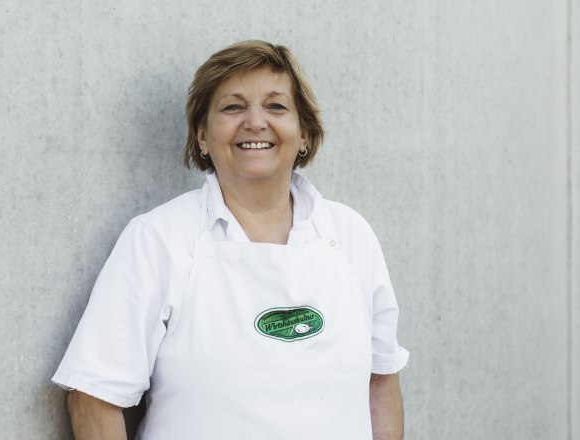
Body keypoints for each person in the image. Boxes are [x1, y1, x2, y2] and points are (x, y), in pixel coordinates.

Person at [52, 40, 409, 440]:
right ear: (202, 137)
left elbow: (381, 382)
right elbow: (93, 398)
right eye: (233, 107)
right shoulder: (159, 240)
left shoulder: (351, 236)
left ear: (304, 133)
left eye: (276, 106)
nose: (255, 122)